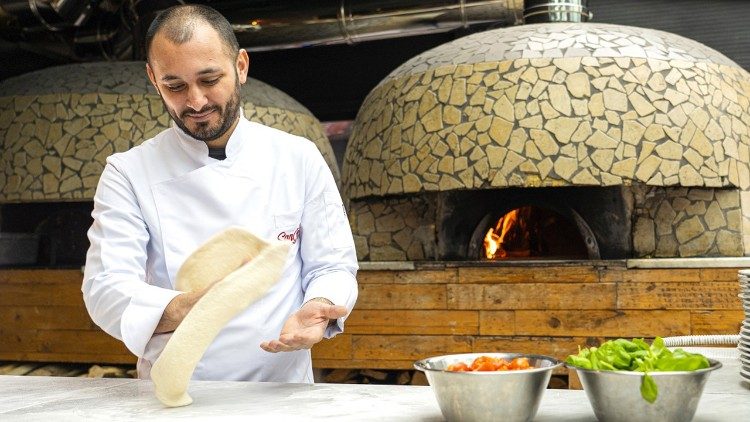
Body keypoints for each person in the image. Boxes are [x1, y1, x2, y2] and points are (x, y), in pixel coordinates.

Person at [82, 4, 358, 383]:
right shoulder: (128, 173)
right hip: (178, 398)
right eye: (174, 86)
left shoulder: (298, 157)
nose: (195, 102)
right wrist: (195, 307)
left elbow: (332, 265)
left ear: (241, 67)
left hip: (282, 396)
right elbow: (106, 289)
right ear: (152, 77)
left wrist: (319, 304)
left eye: (210, 79)